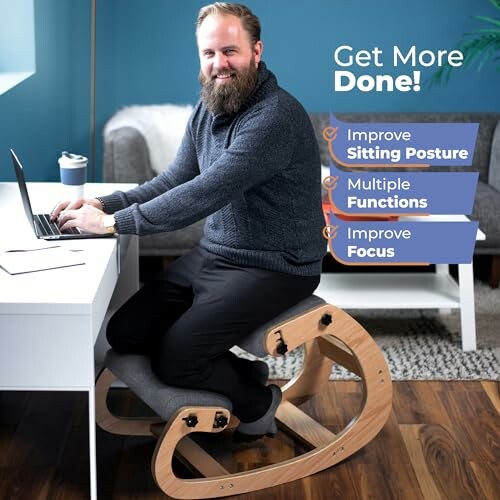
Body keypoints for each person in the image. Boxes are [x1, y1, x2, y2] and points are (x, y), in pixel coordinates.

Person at [52, 2, 325, 439]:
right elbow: (176, 178)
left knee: (177, 358)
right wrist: (104, 205)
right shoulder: (210, 106)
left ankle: (258, 405)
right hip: (217, 255)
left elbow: (204, 193)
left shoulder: (274, 117)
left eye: (230, 51)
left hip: (276, 266)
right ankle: (243, 374)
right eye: (209, 53)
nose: (220, 64)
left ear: (257, 51)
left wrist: (111, 226)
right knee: (126, 332)